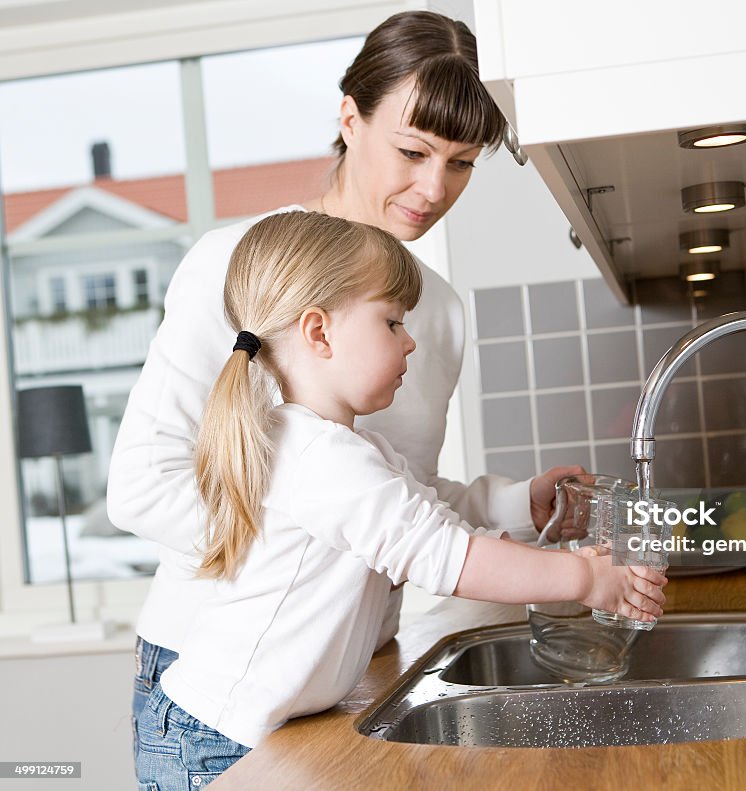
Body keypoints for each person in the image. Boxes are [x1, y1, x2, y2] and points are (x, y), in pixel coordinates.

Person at [108, 9, 586, 736]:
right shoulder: (239, 264)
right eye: (412, 150)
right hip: (222, 673)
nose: (433, 188)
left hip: (351, 669)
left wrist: (521, 503)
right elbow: (143, 487)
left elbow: (396, 497)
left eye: (460, 163)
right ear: (350, 118)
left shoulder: (438, 310)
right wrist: (302, 552)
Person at [132, 212, 666, 785]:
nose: (410, 340)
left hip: (243, 728)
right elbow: (445, 557)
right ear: (319, 332)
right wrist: (586, 579)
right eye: (392, 322)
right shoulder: (322, 459)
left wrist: (529, 511)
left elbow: (433, 519)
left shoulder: (350, 448)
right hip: (213, 743)